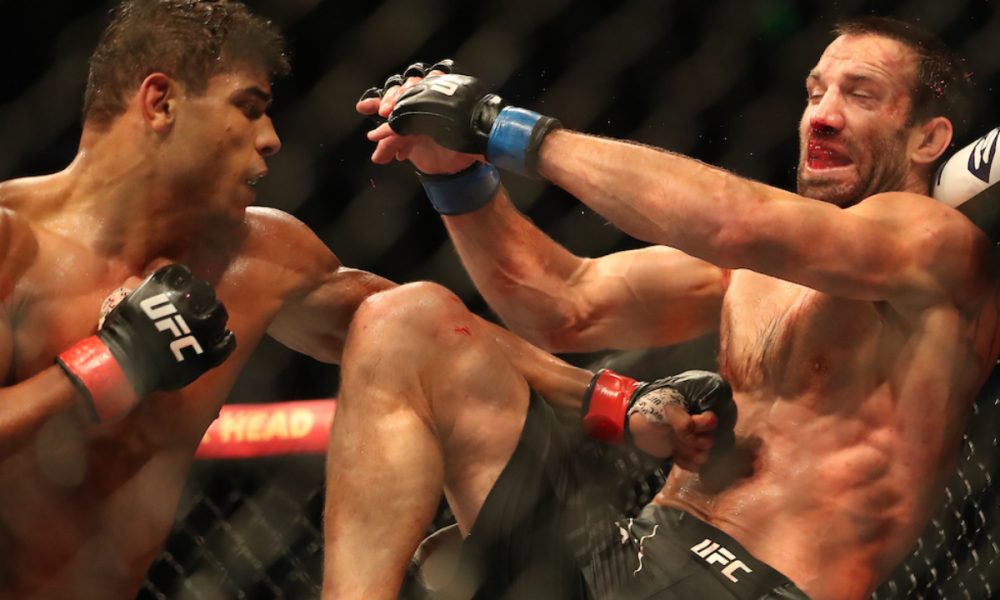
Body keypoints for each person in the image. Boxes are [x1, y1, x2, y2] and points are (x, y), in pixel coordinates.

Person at [1, 1, 709, 598]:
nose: (271, 139)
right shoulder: (11, 243)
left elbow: (426, 330)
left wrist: (614, 399)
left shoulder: (255, 256)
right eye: (248, 109)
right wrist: (104, 366)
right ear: (161, 102)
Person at [340, 16, 1000, 600]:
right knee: (406, 319)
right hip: (630, 553)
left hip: (757, 586)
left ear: (927, 139)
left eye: (860, 95)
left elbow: (737, 221)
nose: (821, 116)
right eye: (814, 92)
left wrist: (497, 126)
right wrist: (456, 173)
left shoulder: (935, 246)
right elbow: (565, 305)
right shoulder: (753, 272)